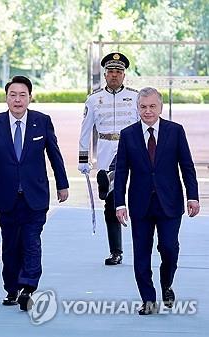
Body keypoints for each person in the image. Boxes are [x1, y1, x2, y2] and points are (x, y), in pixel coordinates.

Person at [0, 75, 69, 311]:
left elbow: (54, 155)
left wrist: (62, 183)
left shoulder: (42, 121)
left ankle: (28, 285)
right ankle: (12, 289)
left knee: (31, 241)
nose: (17, 100)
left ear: (30, 97)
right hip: (5, 196)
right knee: (10, 244)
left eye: (22, 95)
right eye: (13, 95)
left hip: (34, 195)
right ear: (6, 98)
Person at [114, 87, 200, 315]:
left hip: (170, 202)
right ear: (137, 108)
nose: (148, 111)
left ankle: (166, 284)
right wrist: (119, 203)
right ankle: (148, 299)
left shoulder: (175, 131)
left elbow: (187, 166)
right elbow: (121, 171)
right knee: (141, 254)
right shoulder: (128, 134)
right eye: (143, 107)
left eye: (152, 106)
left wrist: (193, 196)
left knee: (169, 248)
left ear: (160, 107)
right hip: (140, 204)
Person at [78, 52, 139, 265]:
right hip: (105, 148)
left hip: (131, 149)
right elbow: (85, 131)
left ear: (124, 75)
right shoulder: (94, 99)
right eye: (111, 71)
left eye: (118, 72)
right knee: (112, 203)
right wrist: (83, 160)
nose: (114, 75)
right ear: (105, 74)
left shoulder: (135, 97)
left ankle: (144, 245)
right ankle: (116, 251)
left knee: (137, 197)